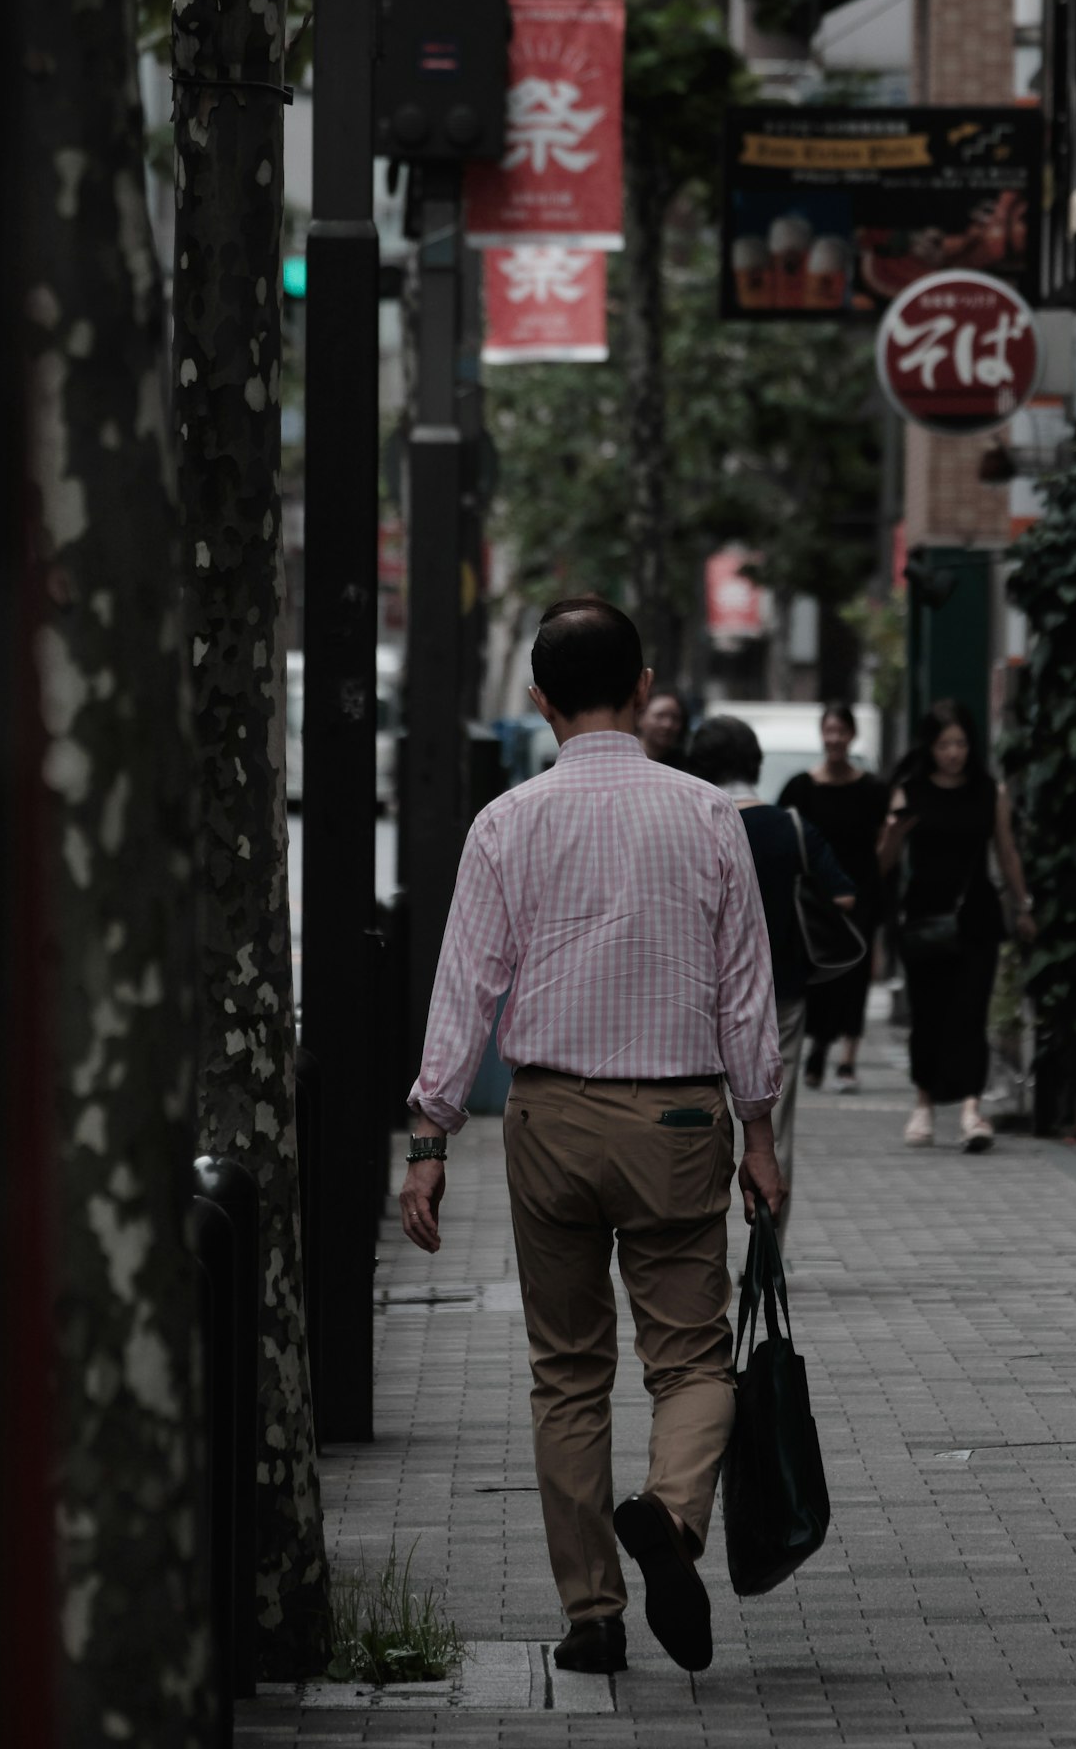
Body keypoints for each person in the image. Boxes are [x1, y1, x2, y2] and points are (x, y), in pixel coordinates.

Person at [400, 600, 785, 1681]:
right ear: (646, 682)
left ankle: (593, 1618)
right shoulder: (711, 816)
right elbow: (748, 993)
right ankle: (668, 1513)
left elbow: (463, 988)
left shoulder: (507, 822)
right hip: (677, 1118)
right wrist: (758, 1130)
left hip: (552, 1117)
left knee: (566, 1373)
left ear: (538, 699)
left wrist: (429, 1136)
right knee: (692, 1359)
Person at [686, 714, 855, 1244]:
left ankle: (694, 1236)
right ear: (755, 763)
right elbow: (845, 897)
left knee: (693, 1110)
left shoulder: (692, 825)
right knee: (775, 1123)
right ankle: (767, 1237)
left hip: (698, 992)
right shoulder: (791, 827)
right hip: (780, 993)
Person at [878, 699, 1035, 1152]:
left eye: (961, 743)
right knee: (927, 1015)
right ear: (930, 746)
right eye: (945, 744)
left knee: (970, 1013)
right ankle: (923, 1104)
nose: (954, 753)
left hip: (976, 917)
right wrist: (892, 835)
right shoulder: (909, 790)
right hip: (924, 915)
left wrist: (1023, 905)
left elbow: (1006, 853)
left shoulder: (990, 791)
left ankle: (972, 1109)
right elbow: (884, 863)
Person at [779, 702, 889, 1094]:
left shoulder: (873, 790)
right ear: (821, 734)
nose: (835, 738)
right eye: (830, 730)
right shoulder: (801, 788)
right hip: (814, 900)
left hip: (860, 894)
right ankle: (820, 1046)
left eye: (842, 731)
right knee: (822, 975)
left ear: (853, 735)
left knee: (856, 975)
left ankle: (848, 1059)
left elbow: (885, 844)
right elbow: (786, 840)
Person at [637, 683, 690, 767]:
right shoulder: (628, 759)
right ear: (640, 718)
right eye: (660, 716)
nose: (668, 725)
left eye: (675, 718)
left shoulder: (685, 766)